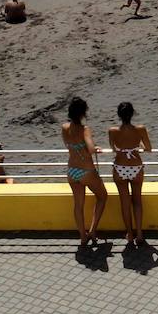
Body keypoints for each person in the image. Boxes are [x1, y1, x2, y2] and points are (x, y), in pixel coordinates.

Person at [62, 97, 108, 248]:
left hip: (72, 170)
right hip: (86, 170)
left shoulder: (64, 127)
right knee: (102, 196)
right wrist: (96, 148)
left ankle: (83, 237)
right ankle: (92, 230)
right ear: (83, 113)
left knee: (78, 205)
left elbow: (69, 145)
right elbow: (89, 148)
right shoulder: (85, 130)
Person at [108, 101, 151, 250]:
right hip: (135, 167)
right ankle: (139, 234)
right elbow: (149, 148)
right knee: (137, 201)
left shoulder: (112, 131)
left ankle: (129, 233)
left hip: (120, 167)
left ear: (119, 115)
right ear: (132, 114)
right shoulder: (140, 129)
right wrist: (137, 148)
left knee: (124, 202)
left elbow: (114, 148)